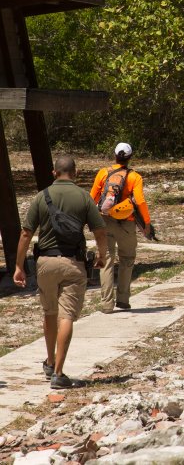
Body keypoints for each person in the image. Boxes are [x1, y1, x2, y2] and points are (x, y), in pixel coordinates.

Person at [13, 155, 108, 389]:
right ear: (75, 173)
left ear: (54, 173)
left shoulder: (40, 197)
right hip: (73, 263)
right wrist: (102, 255)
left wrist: (18, 266)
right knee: (67, 316)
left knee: (49, 312)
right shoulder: (84, 197)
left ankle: (49, 360)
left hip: (45, 262)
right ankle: (58, 373)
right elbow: (100, 231)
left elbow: (26, 233)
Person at [89, 142, 152, 313]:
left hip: (104, 221)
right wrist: (146, 223)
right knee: (127, 259)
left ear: (115, 155)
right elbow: (140, 201)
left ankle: (107, 304)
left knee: (106, 259)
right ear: (130, 158)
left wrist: (89, 219)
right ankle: (123, 299)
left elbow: (92, 197)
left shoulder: (103, 173)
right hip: (127, 222)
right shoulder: (135, 177)